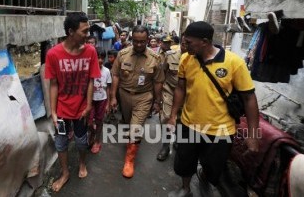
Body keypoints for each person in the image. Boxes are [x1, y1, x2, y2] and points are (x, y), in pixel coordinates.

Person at [168, 21, 260, 197]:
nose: (185, 45)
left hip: (221, 129)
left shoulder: (234, 63)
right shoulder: (186, 59)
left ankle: (206, 179)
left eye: (189, 42)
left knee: (213, 166)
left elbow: (249, 98)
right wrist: (173, 115)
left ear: (204, 41)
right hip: (189, 124)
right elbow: (180, 88)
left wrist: (253, 135)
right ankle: (186, 188)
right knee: (184, 161)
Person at [45, 12, 101, 192]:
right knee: (61, 143)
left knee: (81, 141)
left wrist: (89, 105)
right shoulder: (53, 54)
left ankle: (82, 163)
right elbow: (53, 84)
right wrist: (53, 112)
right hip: (61, 110)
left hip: (81, 110)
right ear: (71, 31)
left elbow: (91, 79)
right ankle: (64, 173)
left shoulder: (90, 51)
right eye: (84, 31)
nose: (88, 35)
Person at [109, 25, 164, 178]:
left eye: (143, 41)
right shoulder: (122, 54)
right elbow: (115, 76)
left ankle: (129, 161)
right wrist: (113, 97)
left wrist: (157, 101)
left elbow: (158, 82)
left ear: (148, 40)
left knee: (135, 128)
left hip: (144, 96)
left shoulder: (155, 58)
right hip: (124, 95)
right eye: (136, 41)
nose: (139, 45)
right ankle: (131, 139)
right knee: (127, 122)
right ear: (132, 39)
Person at [156, 35, 182, 161]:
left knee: (181, 120)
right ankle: (165, 146)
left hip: (188, 95)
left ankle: (178, 140)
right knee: (166, 118)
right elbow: (162, 75)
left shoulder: (198, 59)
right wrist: (159, 97)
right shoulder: (171, 55)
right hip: (170, 91)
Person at [88, 47, 112, 154]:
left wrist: (108, 104)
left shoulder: (106, 71)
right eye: (97, 57)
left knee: (99, 121)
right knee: (88, 122)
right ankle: (92, 133)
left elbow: (108, 88)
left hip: (102, 100)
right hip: (90, 100)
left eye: (102, 57)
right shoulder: (88, 69)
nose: (100, 60)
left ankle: (97, 141)